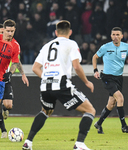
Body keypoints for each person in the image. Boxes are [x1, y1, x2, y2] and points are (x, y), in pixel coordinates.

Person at [22, 20, 96, 150]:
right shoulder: (71, 44)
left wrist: (47, 77)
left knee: (46, 111)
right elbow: (77, 66)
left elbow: (35, 68)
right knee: (90, 110)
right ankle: (79, 144)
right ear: (70, 32)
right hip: (61, 83)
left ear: (56, 32)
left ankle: (28, 142)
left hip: (45, 85)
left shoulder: (47, 45)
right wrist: (86, 82)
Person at [92, 27, 128, 134]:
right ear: (111, 36)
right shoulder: (106, 47)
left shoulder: (126, 47)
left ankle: (98, 123)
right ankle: (124, 126)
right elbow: (94, 57)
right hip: (107, 77)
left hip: (119, 78)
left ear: (122, 36)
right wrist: (95, 70)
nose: (115, 37)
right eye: (113, 34)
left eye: (118, 35)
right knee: (120, 98)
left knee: (111, 104)